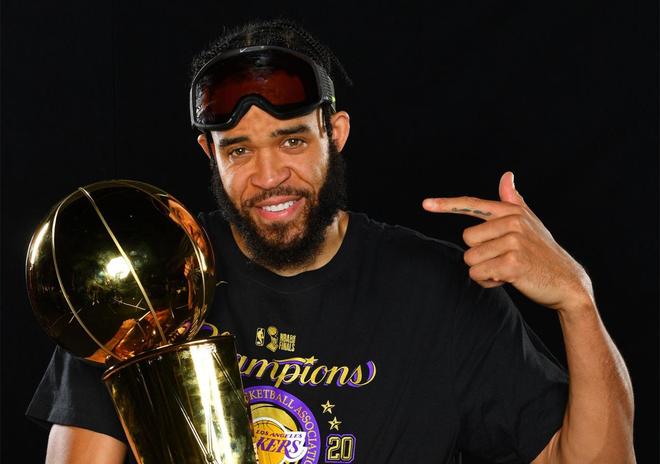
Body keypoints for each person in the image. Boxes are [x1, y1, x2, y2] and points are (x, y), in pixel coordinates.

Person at [27, 18, 635, 464]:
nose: (269, 177)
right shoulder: (150, 278)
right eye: (239, 150)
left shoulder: (440, 290)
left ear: (334, 133)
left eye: (292, 140)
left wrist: (576, 300)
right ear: (209, 153)